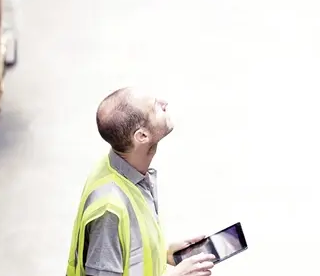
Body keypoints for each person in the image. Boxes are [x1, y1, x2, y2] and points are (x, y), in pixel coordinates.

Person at [66, 88, 215, 276]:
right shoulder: (109, 210)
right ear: (142, 136)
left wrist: (163, 254)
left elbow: (127, 251)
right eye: (155, 108)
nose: (164, 102)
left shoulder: (120, 168)